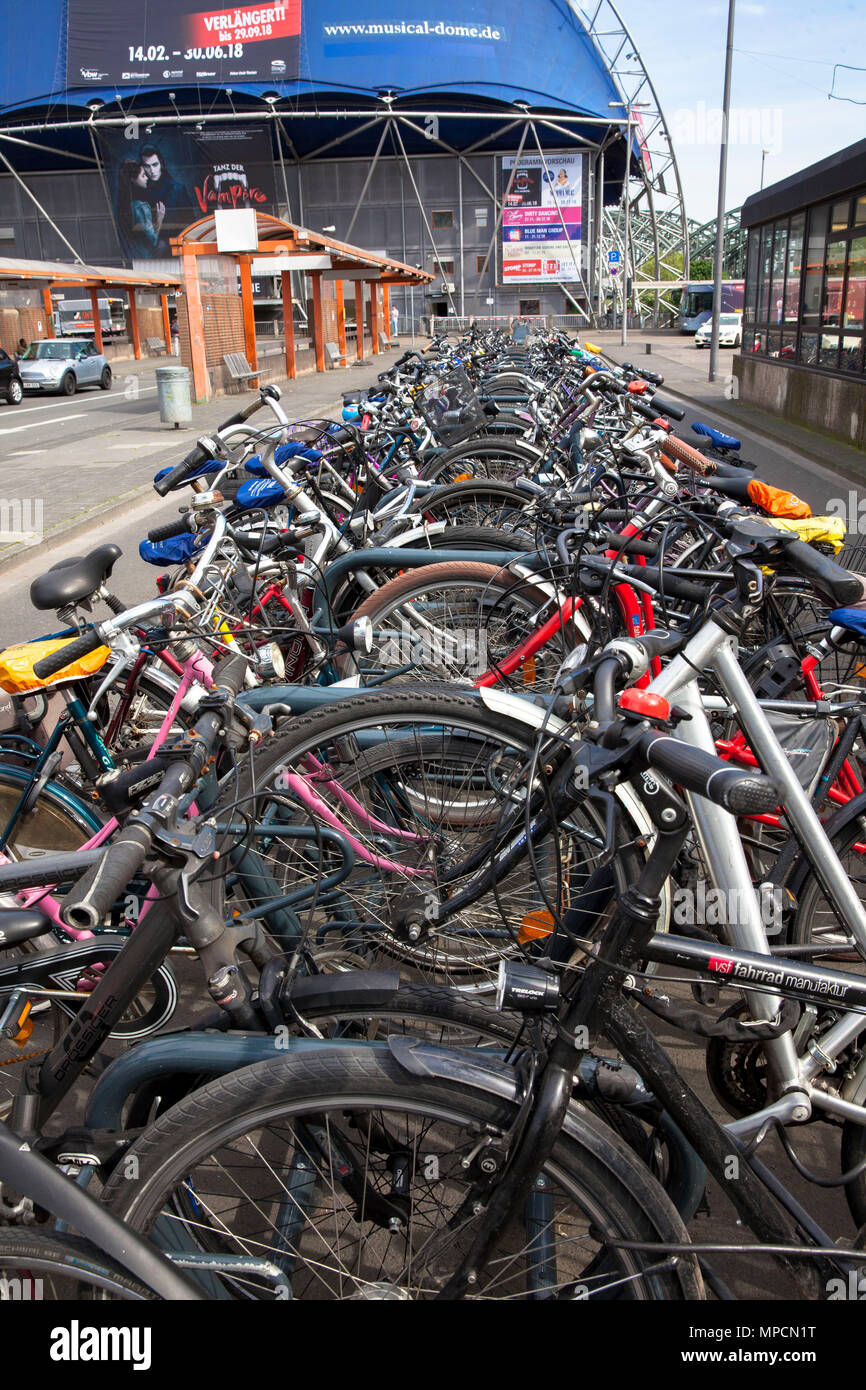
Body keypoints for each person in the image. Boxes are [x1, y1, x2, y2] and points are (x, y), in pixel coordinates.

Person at [117, 159, 166, 257]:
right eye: (143, 175)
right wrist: (160, 219)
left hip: (131, 254)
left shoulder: (123, 204)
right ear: (133, 180)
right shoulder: (140, 207)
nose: (147, 178)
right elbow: (153, 240)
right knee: (162, 245)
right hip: (143, 255)